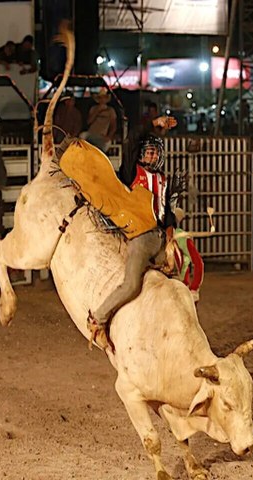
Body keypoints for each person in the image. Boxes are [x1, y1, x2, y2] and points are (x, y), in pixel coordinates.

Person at [88, 120, 178, 346]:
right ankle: (98, 318)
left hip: (158, 237)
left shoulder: (162, 179)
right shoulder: (131, 172)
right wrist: (152, 123)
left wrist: (170, 232)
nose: (151, 157)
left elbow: (165, 212)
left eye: (154, 153)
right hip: (140, 236)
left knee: (172, 278)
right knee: (131, 285)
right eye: (148, 153)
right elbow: (131, 140)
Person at [80, 88, 117, 152]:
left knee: (107, 143)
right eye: (101, 98)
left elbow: (113, 125)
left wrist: (109, 136)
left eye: (104, 98)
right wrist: (97, 111)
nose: (102, 100)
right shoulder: (93, 108)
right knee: (82, 135)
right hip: (91, 134)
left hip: (101, 136)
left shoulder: (111, 110)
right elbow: (88, 122)